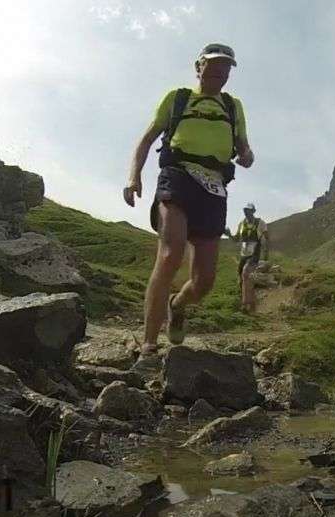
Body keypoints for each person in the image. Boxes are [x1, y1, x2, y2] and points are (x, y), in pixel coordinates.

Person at [123, 43, 255, 363]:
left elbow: (244, 149)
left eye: (226, 68)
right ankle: (149, 344)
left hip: (213, 187)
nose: (221, 72)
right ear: (199, 67)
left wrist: (248, 155)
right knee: (171, 253)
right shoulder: (178, 98)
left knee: (205, 281)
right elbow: (146, 139)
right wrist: (133, 177)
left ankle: (177, 306)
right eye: (214, 65)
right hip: (178, 176)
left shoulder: (233, 107)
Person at [232, 202, 268, 313]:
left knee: (246, 273)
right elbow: (236, 238)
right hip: (244, 255)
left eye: (248, 210)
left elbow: (267, 237)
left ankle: (245, 305)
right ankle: (251, 305)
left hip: (254, 254)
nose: (246, 212)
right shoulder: (241, 224)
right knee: (241, 280)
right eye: (245, 210)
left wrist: (266, 251)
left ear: (253, 211)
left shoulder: (260, 223)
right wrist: (228, 234)